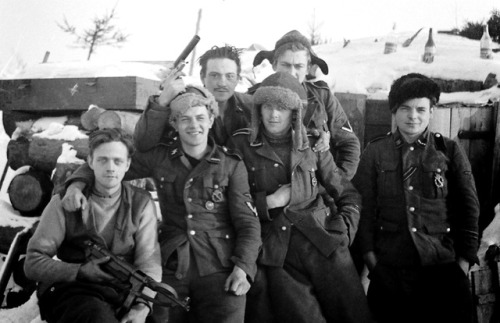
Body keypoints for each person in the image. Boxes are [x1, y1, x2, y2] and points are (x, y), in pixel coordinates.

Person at [61, 85, 262, 323]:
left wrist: (244, 267)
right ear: (174, 125)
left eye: (200, 118)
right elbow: (110, 164)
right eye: (184, 119)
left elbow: (248, 222)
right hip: (172, 263)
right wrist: (76, 184)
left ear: (210, 120)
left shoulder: (230, 165)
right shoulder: (161, 157)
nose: (193, 126)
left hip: (220, 266)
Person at [229, 72, 372, 323]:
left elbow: (347, 193)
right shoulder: (240, 145)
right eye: (268, 106)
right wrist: (269, 202)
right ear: (258, 109)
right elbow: (231, 203)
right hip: (276, 249)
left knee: (353, 313)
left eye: (282, 108)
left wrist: (344, 231)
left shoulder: (313, 143)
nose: (274, 114)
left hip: (323, 240)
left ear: (294, 112)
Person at [353, 73, 480, 323]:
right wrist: (372, 260)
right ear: (394, 111)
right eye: (405, 109)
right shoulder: (375, 152)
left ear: (431, 111)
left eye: (421, 109)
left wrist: (463, 263)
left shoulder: (449, 150)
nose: (413, 116)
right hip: (390, 268)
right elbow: (363, 208)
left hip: (442, 267)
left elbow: (469, 209)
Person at [24, 128, 161, 323]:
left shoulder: (141, 203)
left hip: (120, 292)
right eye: (102, 160)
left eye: (118, 161)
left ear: (128, 164)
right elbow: (33, 262)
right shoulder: (64, 201)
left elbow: (148, 262)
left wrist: (142, 305)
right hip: (71, 290)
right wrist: (78, 270)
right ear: (90, 162)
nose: (110, 167)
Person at [251, 30, 360, 179]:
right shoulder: (255, 97)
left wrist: (338, 183)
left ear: (308, 68)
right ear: (274, 64)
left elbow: (349, 144)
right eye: (286, 65)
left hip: (315, 191)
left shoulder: (322, 97)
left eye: (298, 66)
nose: (292, 72)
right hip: (268, 188)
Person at [134, 45, 252, 150]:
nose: (222, 83)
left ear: (237, 79)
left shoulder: (250, 106)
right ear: (202, 77)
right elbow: (143, 143)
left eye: (229, 76)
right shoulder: (184, 104)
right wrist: (161, 102)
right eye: (214, 75)